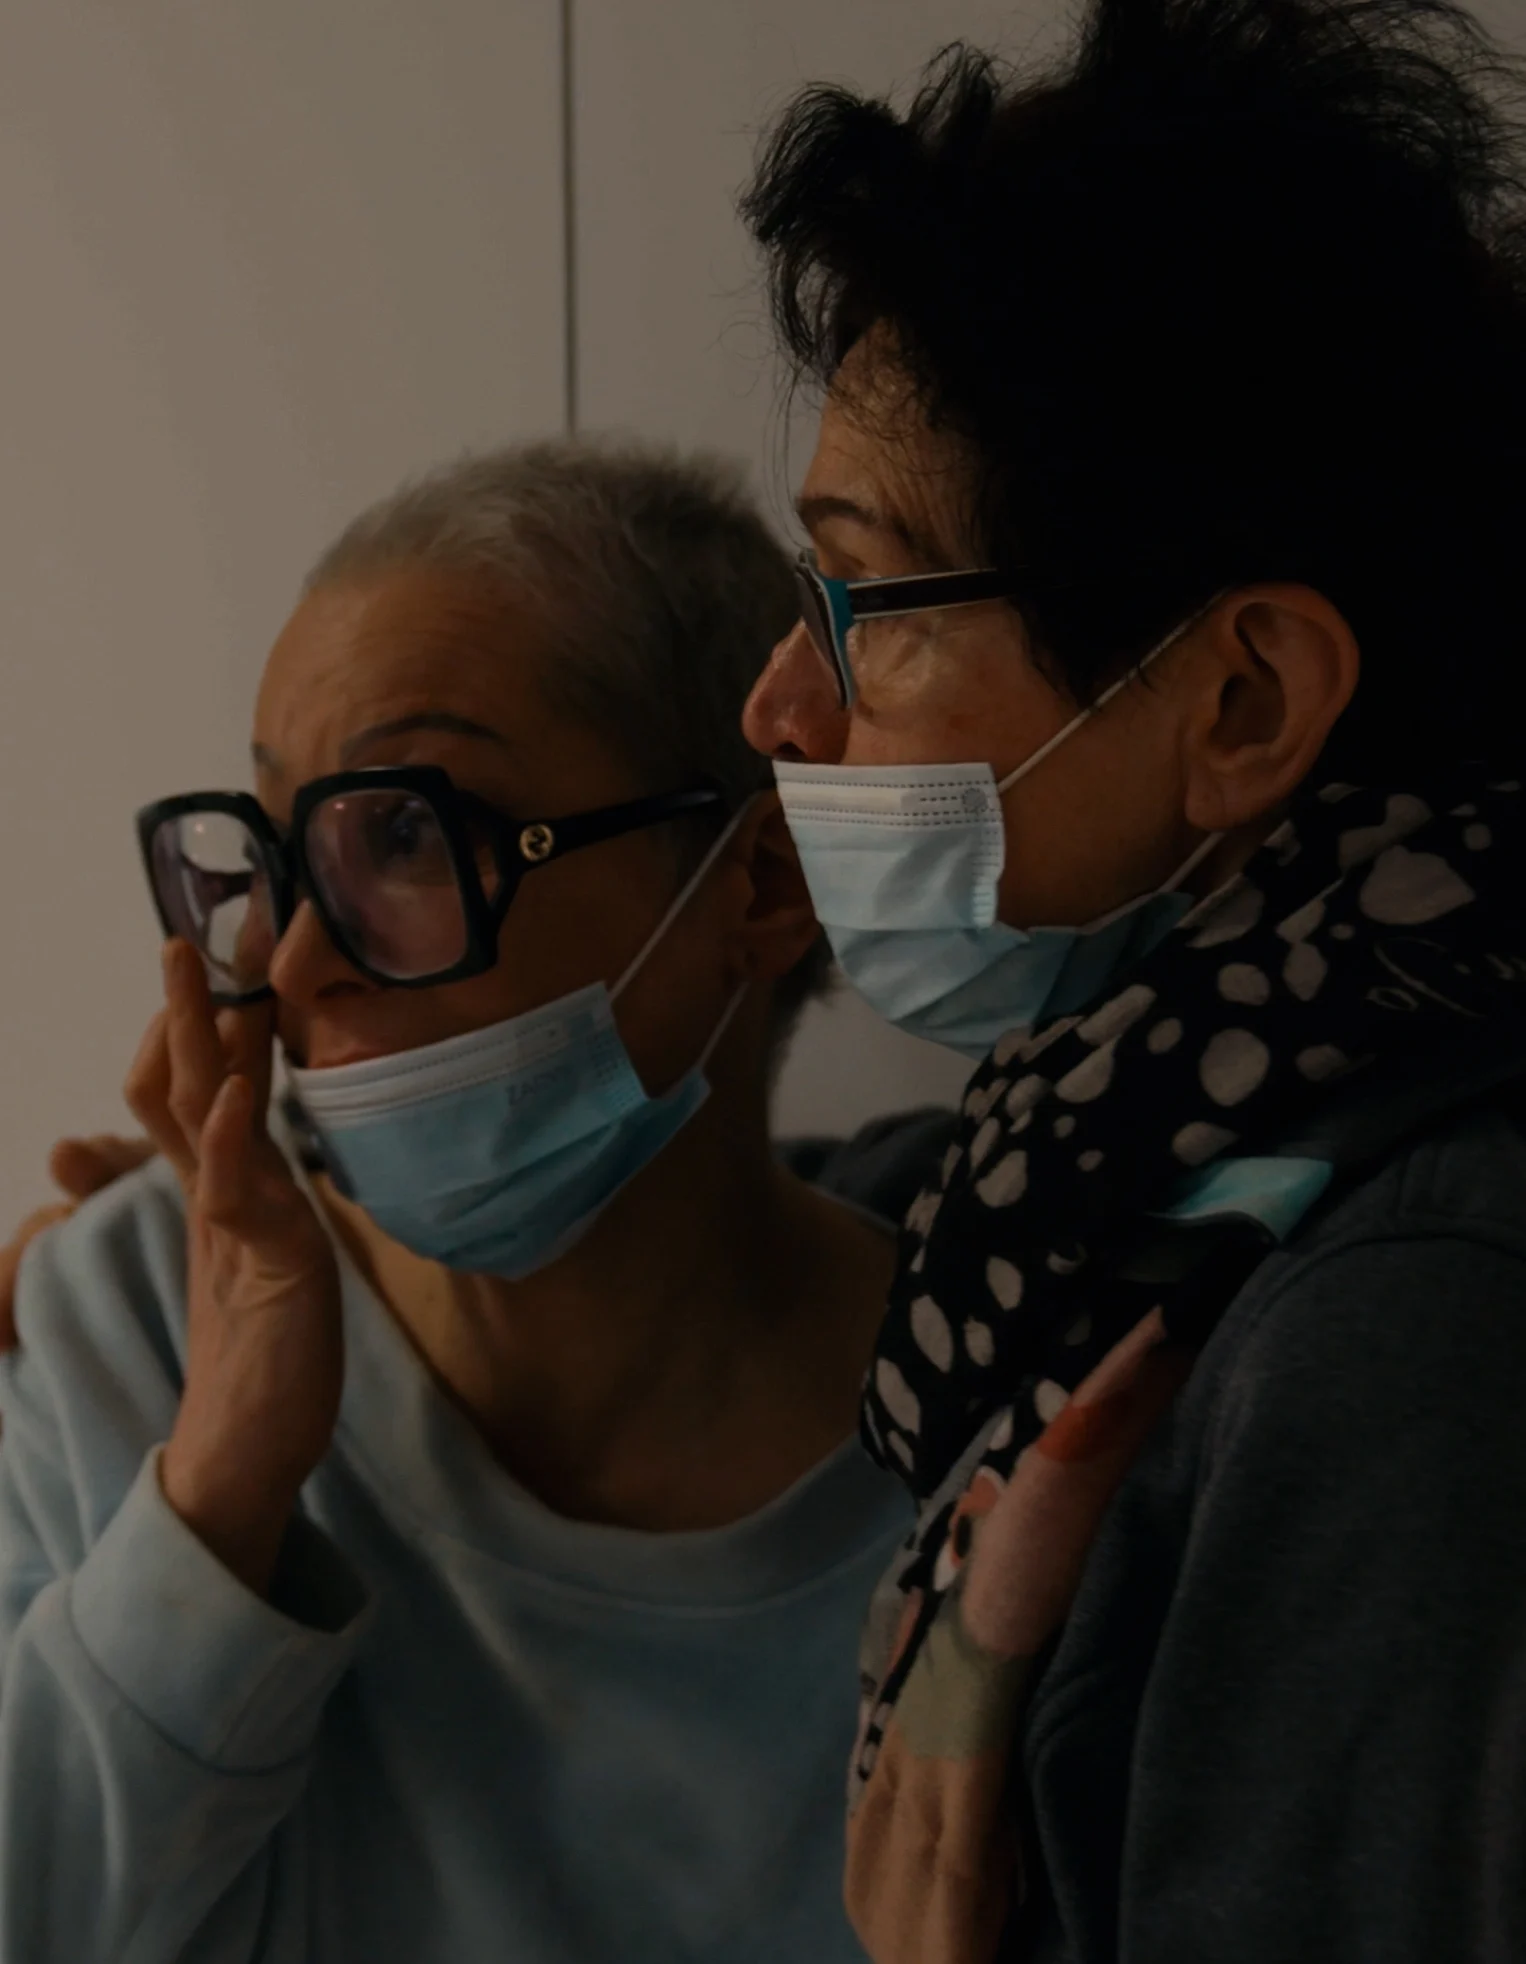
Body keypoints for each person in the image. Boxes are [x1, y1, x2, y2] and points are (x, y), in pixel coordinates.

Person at [738, 1, 1526, 1959]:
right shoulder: (1185, 1140)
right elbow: (876, 1197)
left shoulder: (1396, 1338)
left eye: (866, 604)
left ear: (1241, 700)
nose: (777, 697)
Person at [0, 439, 941, 1964]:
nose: (296, 965)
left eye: (411, 833)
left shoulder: (1006, 1432)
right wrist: (223, 1489)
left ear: (759, 884)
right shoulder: (126, 1331)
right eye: (278, 852)